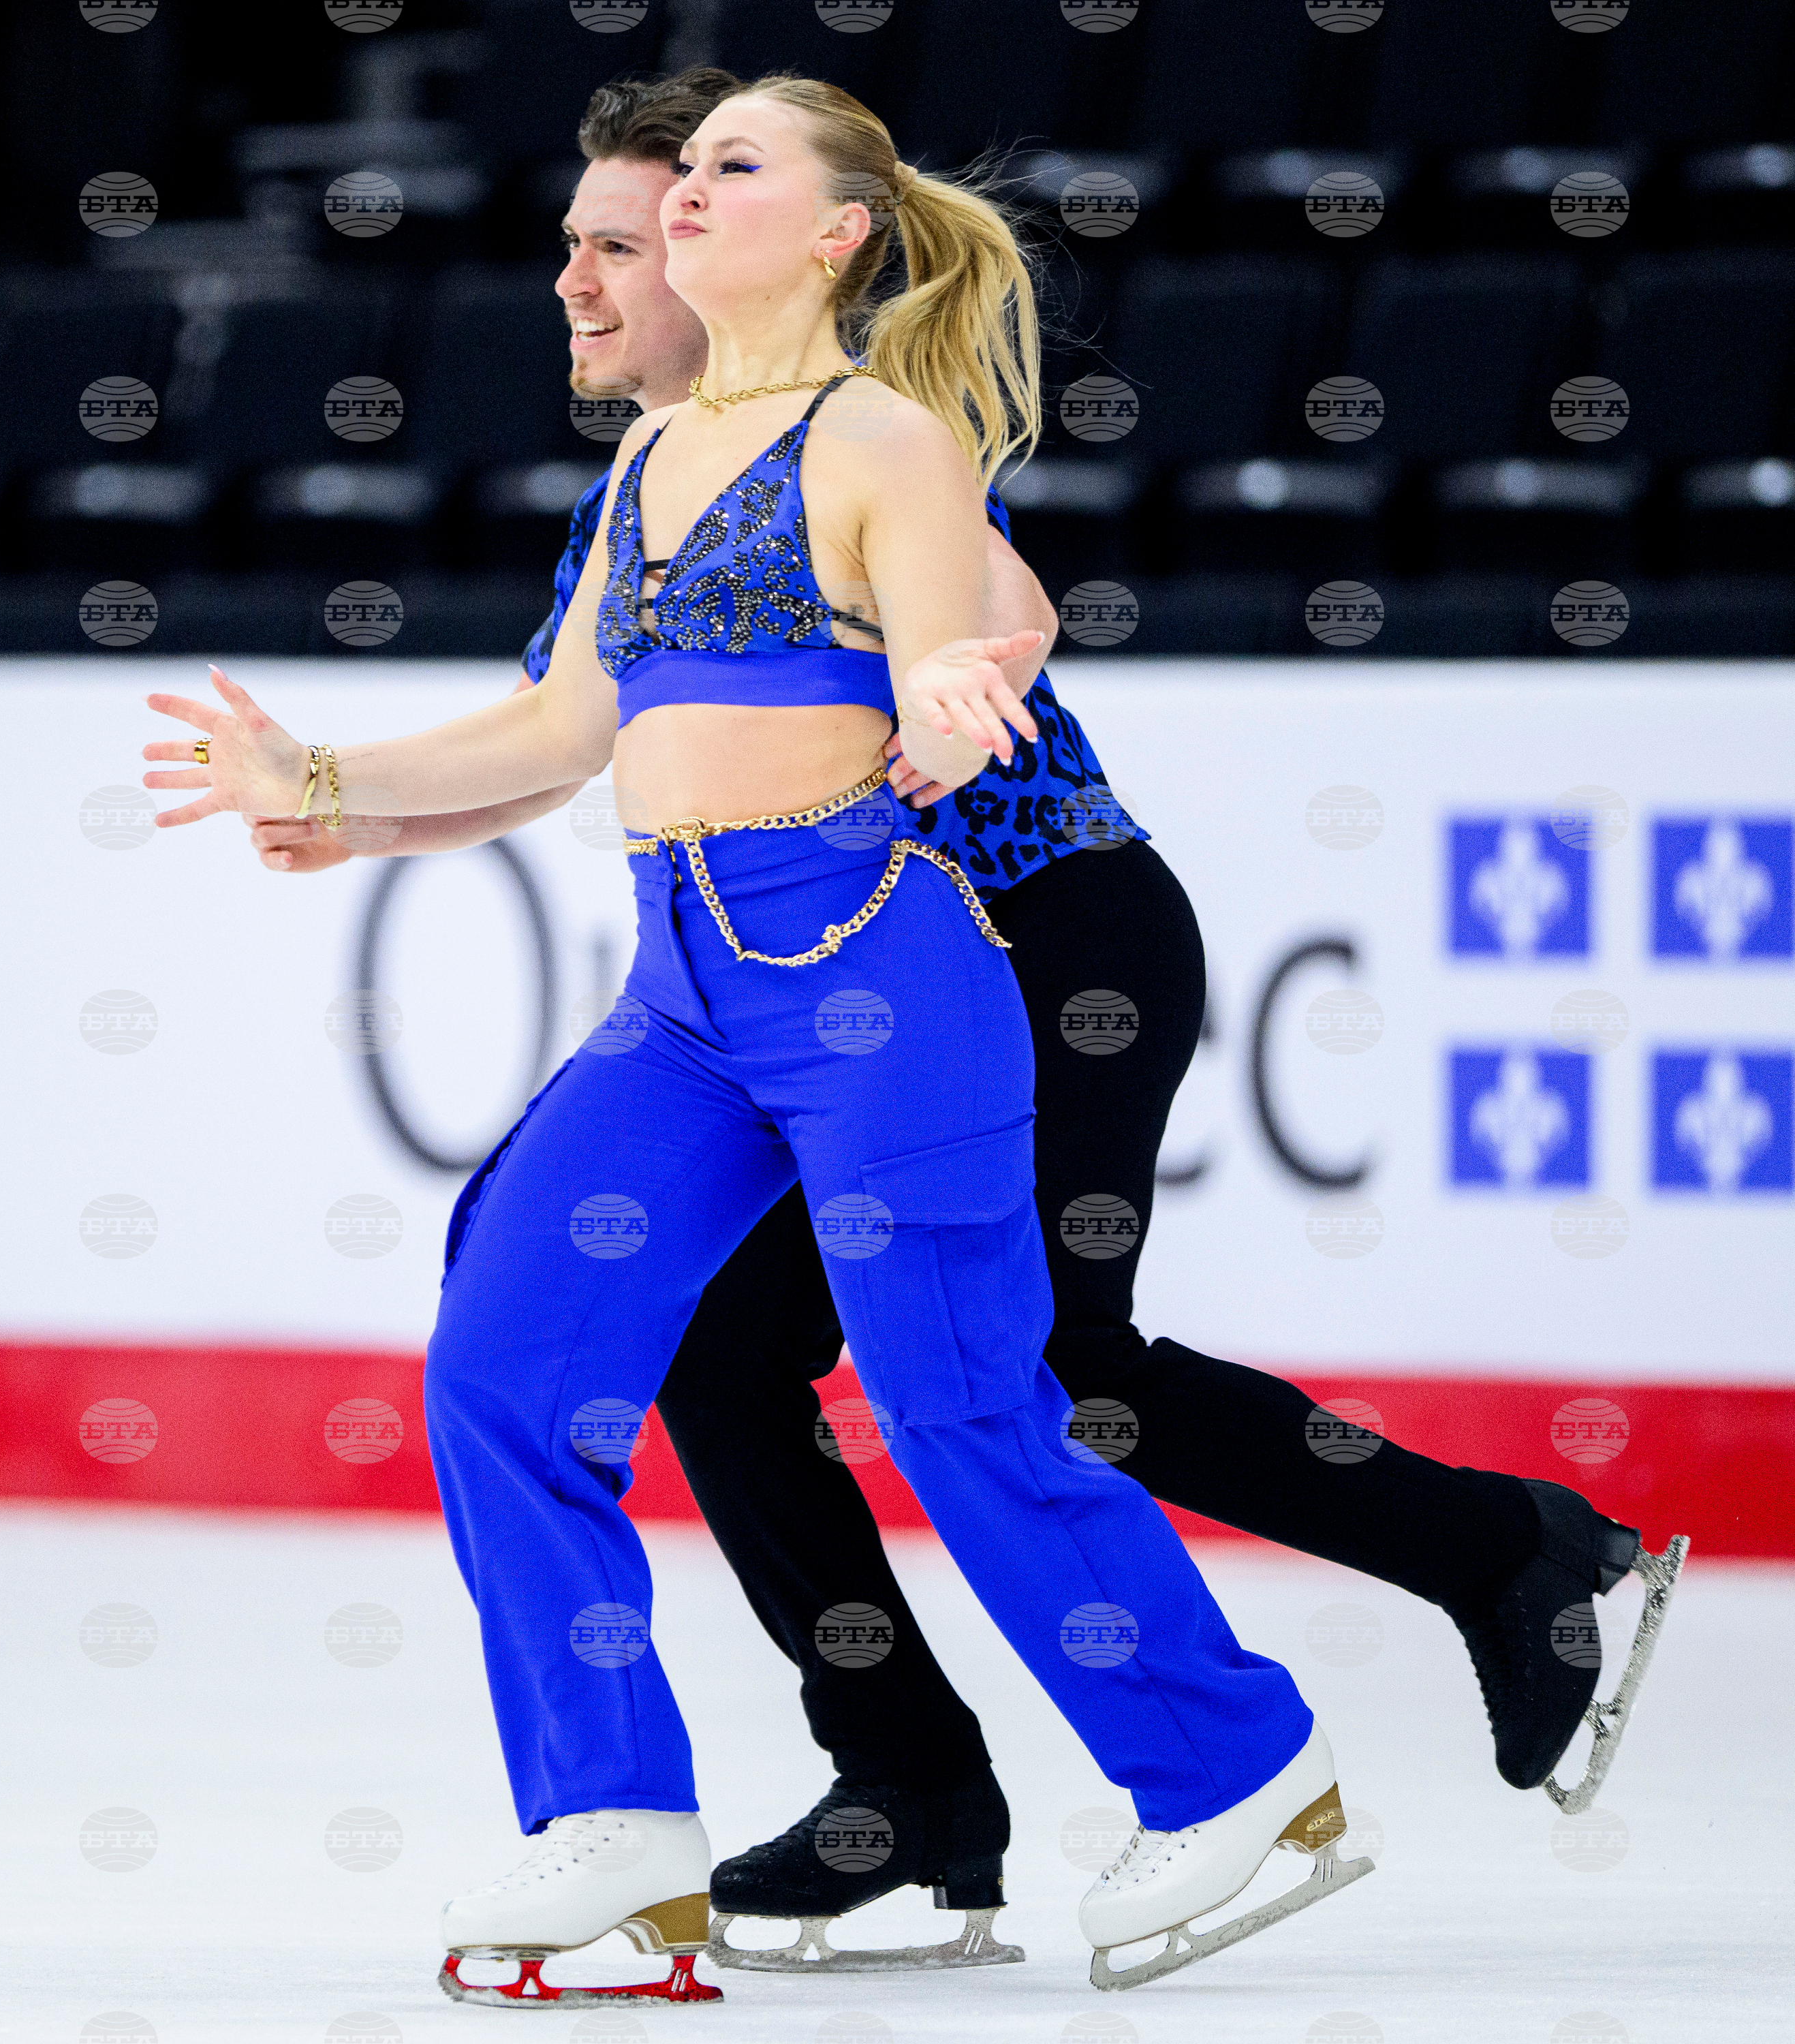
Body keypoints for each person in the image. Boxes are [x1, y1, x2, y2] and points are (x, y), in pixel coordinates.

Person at [238, 67, 1686, 1987]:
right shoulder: (651, 472)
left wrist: (949, 674)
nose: (587, 278)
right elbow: (582, 736)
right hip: (731, 968)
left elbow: (979, 615)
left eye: (632, 228)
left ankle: (1414, 1616)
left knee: (1011, 1375)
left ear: (799, 231)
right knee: (674, 1358)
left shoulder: (874, 443)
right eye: (585, 241)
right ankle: (855, 1792)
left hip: (1023, 932)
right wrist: (334, 786)